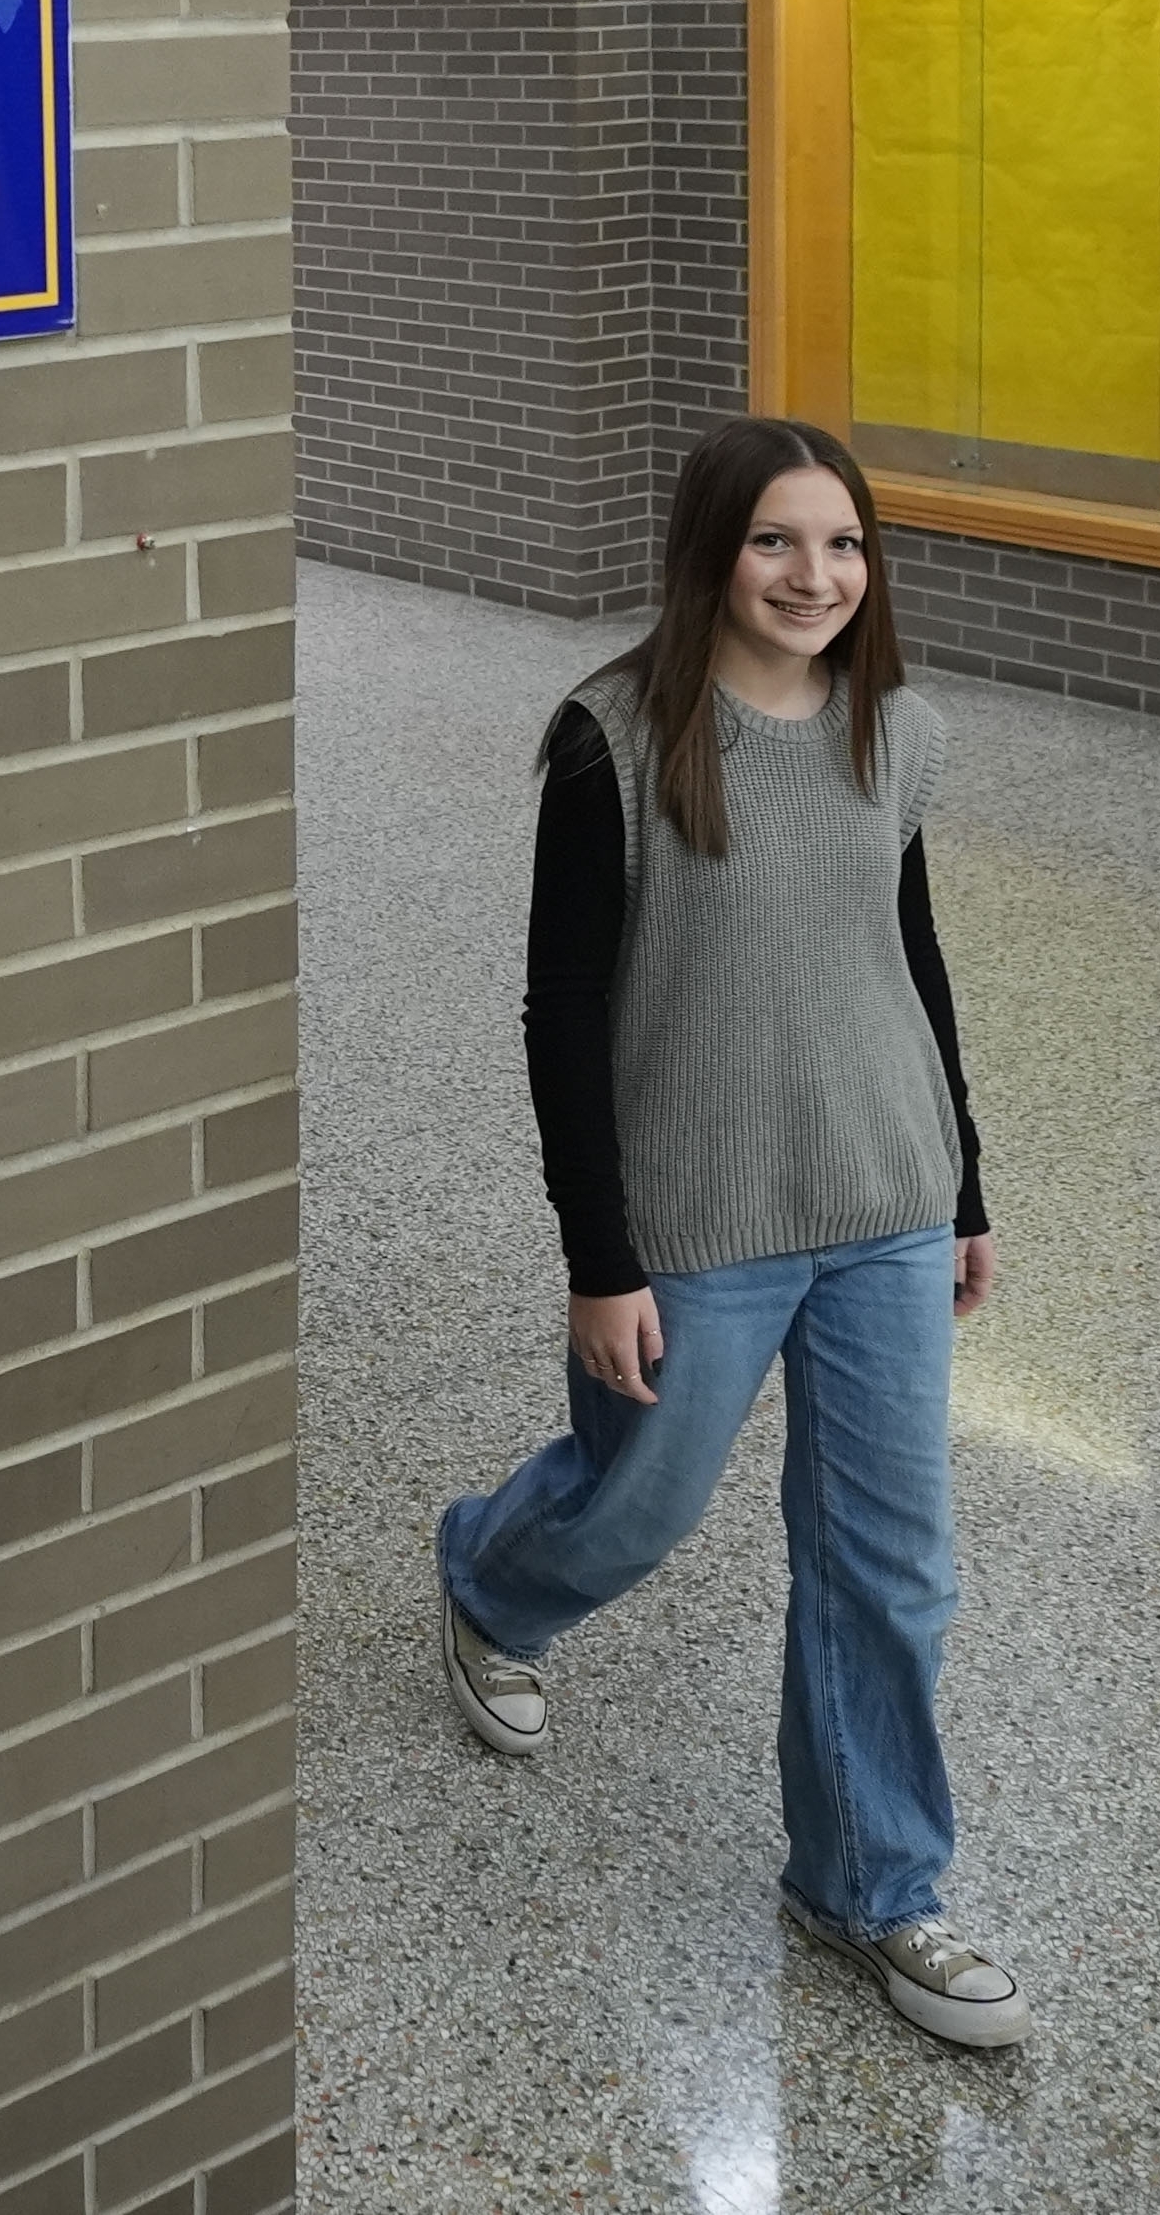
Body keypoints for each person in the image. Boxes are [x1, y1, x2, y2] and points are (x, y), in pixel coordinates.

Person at [427, 414, 1030, 2051]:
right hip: (698, 1217)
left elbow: (908, 955)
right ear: (712, 550)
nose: (815, 575)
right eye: (777, 540)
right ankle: (490, 1574)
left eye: (842, 544)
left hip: (886, 1200)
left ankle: (871, 1884)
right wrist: (601, 1257)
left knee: (894, 1568)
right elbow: (563, 1013)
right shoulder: (613, 740)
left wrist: (962, 1185)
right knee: (638, 1507)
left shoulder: (894, 730)